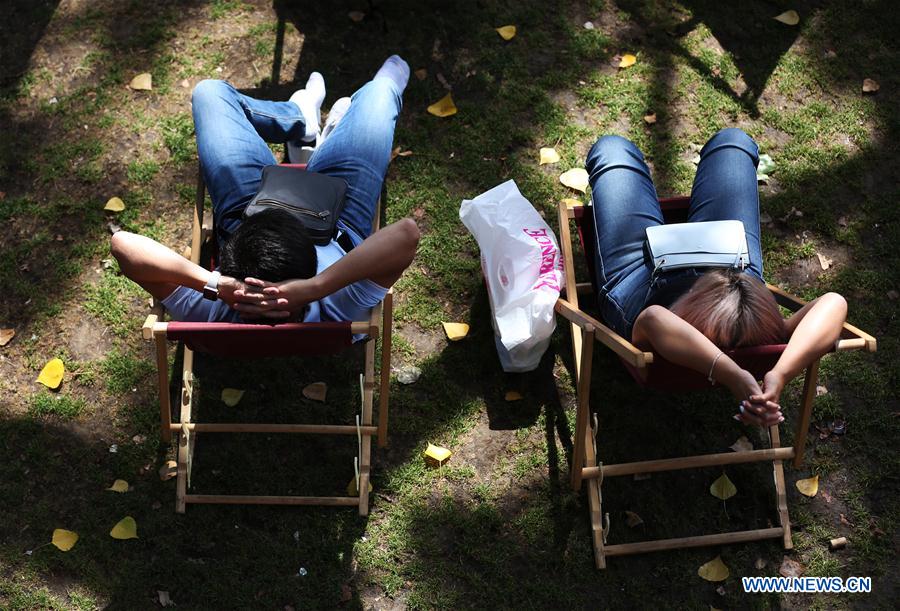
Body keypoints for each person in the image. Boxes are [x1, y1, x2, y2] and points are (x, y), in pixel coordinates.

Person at [111, 56, 419, 328]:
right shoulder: (338, 305)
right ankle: (330, 131)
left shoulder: (212, 312)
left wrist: (216, 284)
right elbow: (406, 234)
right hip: (339, 215)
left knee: (210, 93)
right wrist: (316, 288)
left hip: (248, 209)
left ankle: (300, 120)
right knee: (382, 89)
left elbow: (123, 245)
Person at [586, 129, 847, 427]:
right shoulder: (765, 338)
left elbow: (655, 316)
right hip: (731, 268)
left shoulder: (659, 324)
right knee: (734, 142)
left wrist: (732, 375)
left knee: (612, 149)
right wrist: (779, 373)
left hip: (642, 280)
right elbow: (834, 302)